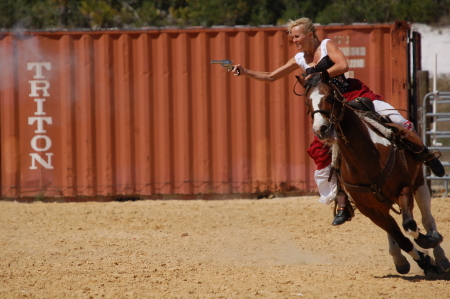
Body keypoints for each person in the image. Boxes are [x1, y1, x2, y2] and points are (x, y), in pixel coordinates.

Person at [229, 17, 445, 226]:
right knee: (322, 152)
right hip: (333, 109)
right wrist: (245, 72)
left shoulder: (326, 45)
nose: (294, 41)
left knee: (395, 119)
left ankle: (425, 155)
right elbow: (270, 76)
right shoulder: (300, 60)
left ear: (310, 34)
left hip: (354, 95)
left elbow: (343, 65)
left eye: (297, 36)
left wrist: (318, 75)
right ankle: (342, 203)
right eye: (292, 38)